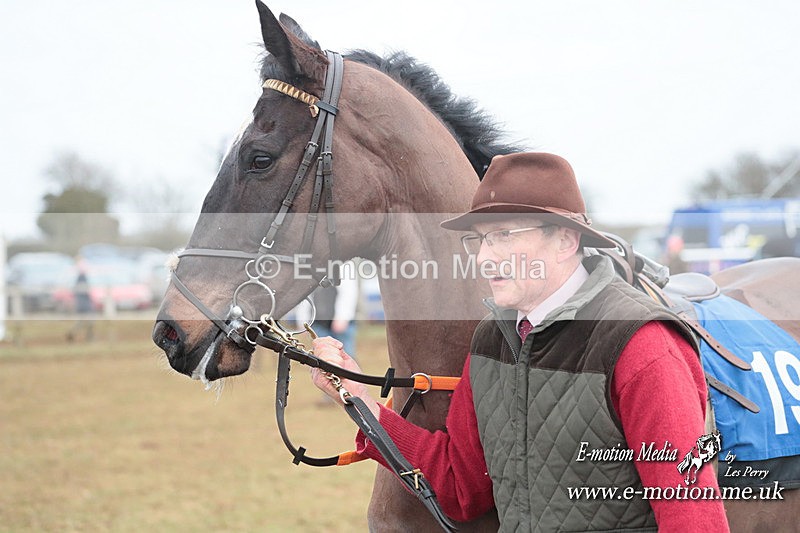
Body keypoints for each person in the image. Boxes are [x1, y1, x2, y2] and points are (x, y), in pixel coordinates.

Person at [311, 153, 730, 532]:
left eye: (506, 236)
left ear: (566, 240)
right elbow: (462, 487)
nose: (485, 258)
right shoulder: (493, 338)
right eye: (480, 239)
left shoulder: (641, 344)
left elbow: (692, 517)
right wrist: (359, 402)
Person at [296, 260, 359, 357]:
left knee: (346, 360)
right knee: (321, 360)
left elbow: (348, 291)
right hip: (319, 323)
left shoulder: (343, 260)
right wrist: (302, 320)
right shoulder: (309, 262)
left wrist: (342, 317)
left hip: (339, 324)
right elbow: (305, 293)